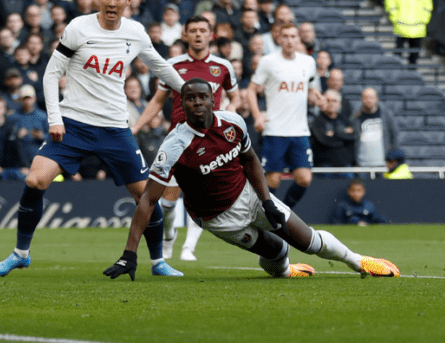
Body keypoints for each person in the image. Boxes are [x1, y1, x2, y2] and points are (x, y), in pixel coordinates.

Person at [0, 0, 189, 278]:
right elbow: (51, 73)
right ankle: (20, 253)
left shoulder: (135, 33)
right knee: (34, 181)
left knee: (147, 197)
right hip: (73, 125)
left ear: (129, 0)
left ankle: (158, 262)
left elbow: (160, 66)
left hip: (114, 128)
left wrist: (187, 90)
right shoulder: (78, 28)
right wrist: (54, 119)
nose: (111, 2)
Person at [103, 79, 400, 281]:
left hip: (249, 195)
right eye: (189, 98)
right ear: (183, 103)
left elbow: (250, 160)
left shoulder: (232, 123)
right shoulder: (174, 145)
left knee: (306, 240)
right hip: (217, 217)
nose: (197, 103)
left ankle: (357, 261)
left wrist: (266, 200)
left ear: (212, 99)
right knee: (277, 252)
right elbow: (148, 200)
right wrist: (130, 253)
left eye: (202, 97)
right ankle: (285, 271)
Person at [131, 15, 240, 261]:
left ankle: (188, 248)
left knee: (204, 198)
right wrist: (137, 125)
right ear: (185, 34)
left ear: (211, 35)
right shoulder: (173, 65)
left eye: (203, 30)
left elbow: (236, 96)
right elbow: (158, 101)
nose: (198, 35)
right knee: (168, 204)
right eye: (193, 31)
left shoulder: (223, 66)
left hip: (211, 141)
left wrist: (231, 111)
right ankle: (170, 236)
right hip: (179, 141)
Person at [246, 24, 323, 209]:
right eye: (285, 36)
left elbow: (310, 89)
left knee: (304, 178)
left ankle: (286, 212)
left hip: (300, 130)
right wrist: (257, 116)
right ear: (279, 39)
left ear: (299, 39)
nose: (289, 40)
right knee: (273, 180)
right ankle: (264, 214)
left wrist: (318, 98)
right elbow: (250, 91)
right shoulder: (268, 62)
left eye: (293, 36)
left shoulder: (308, 62)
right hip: (275, 130)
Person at [309, 90, 355, 172]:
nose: (331, 103)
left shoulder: (345, 120)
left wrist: (334, 134)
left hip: (344, 165)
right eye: (328, 100)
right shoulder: (317, 121)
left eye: (334, 101)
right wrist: (343, 134)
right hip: (323, 166)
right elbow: (323, 140)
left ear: (339, 104)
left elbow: (352, 136)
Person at [353, 87, 399, 168]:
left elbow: (394, 135)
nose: (369, 100)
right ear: (362, 99)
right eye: (366, 98)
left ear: (376, 99)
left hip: (382, 163)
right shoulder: (356, 117)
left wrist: (392, 157)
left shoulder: (386, 115)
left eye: (371, 97)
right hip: (362, 164)